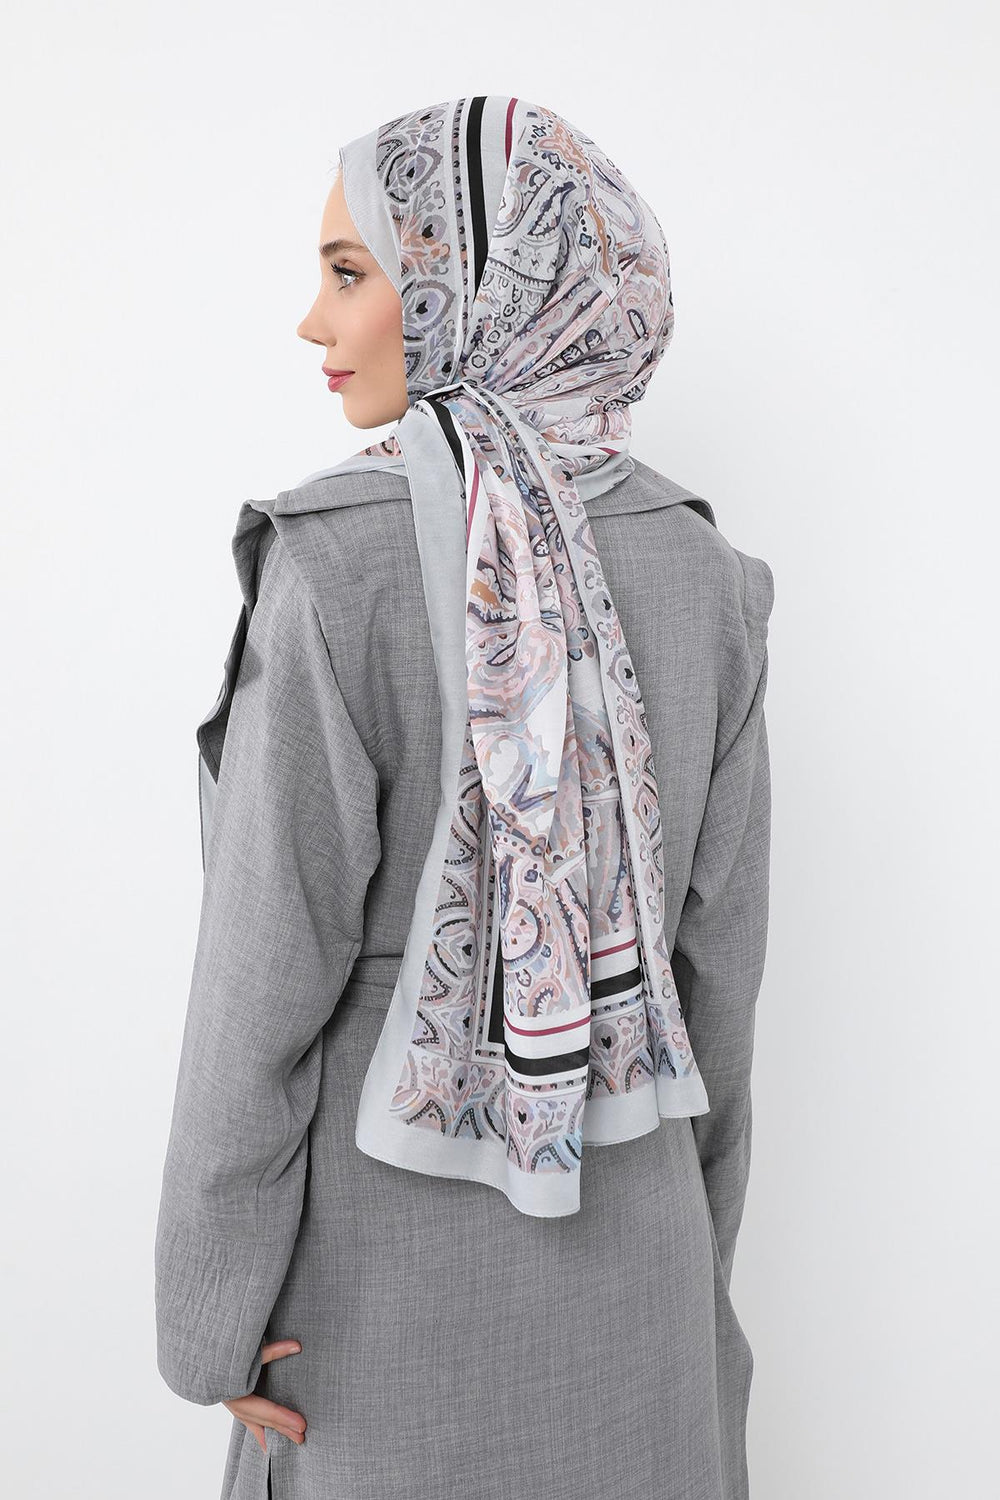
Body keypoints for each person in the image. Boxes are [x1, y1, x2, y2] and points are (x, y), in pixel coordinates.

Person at [154, 95, 775, 1500]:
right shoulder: (706, 577)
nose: (313, 323)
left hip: (375, 1294)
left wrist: (208, 1318)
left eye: (351, 273)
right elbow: (718, 993)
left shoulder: (336, 567)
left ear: (469, 293)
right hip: (643, 1272)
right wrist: (697, 1266)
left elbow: (261, 985)